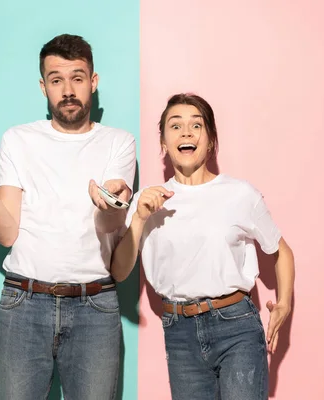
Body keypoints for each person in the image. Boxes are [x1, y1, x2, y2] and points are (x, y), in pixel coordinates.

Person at [0, 34, 136, 400]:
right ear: (43, 85)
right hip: (24, 304)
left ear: (93, 83)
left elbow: (115, 197)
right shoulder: (18, 140)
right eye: (56, 79)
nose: (67, 89)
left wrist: (109, 199)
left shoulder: (119, 142)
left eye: (78, 78)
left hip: (95, 307)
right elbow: (5, 232)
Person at [111, 93, 294, 399]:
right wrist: (140, 218)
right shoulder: (148, 200)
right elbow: (118, 271)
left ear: (210, 141)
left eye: (196, 125)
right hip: (179, 331)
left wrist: (285, 302)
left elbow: (281, 251)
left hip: (236, 326)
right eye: (175, 125)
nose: (186, 132)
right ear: (163, 143)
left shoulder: (239, 194)